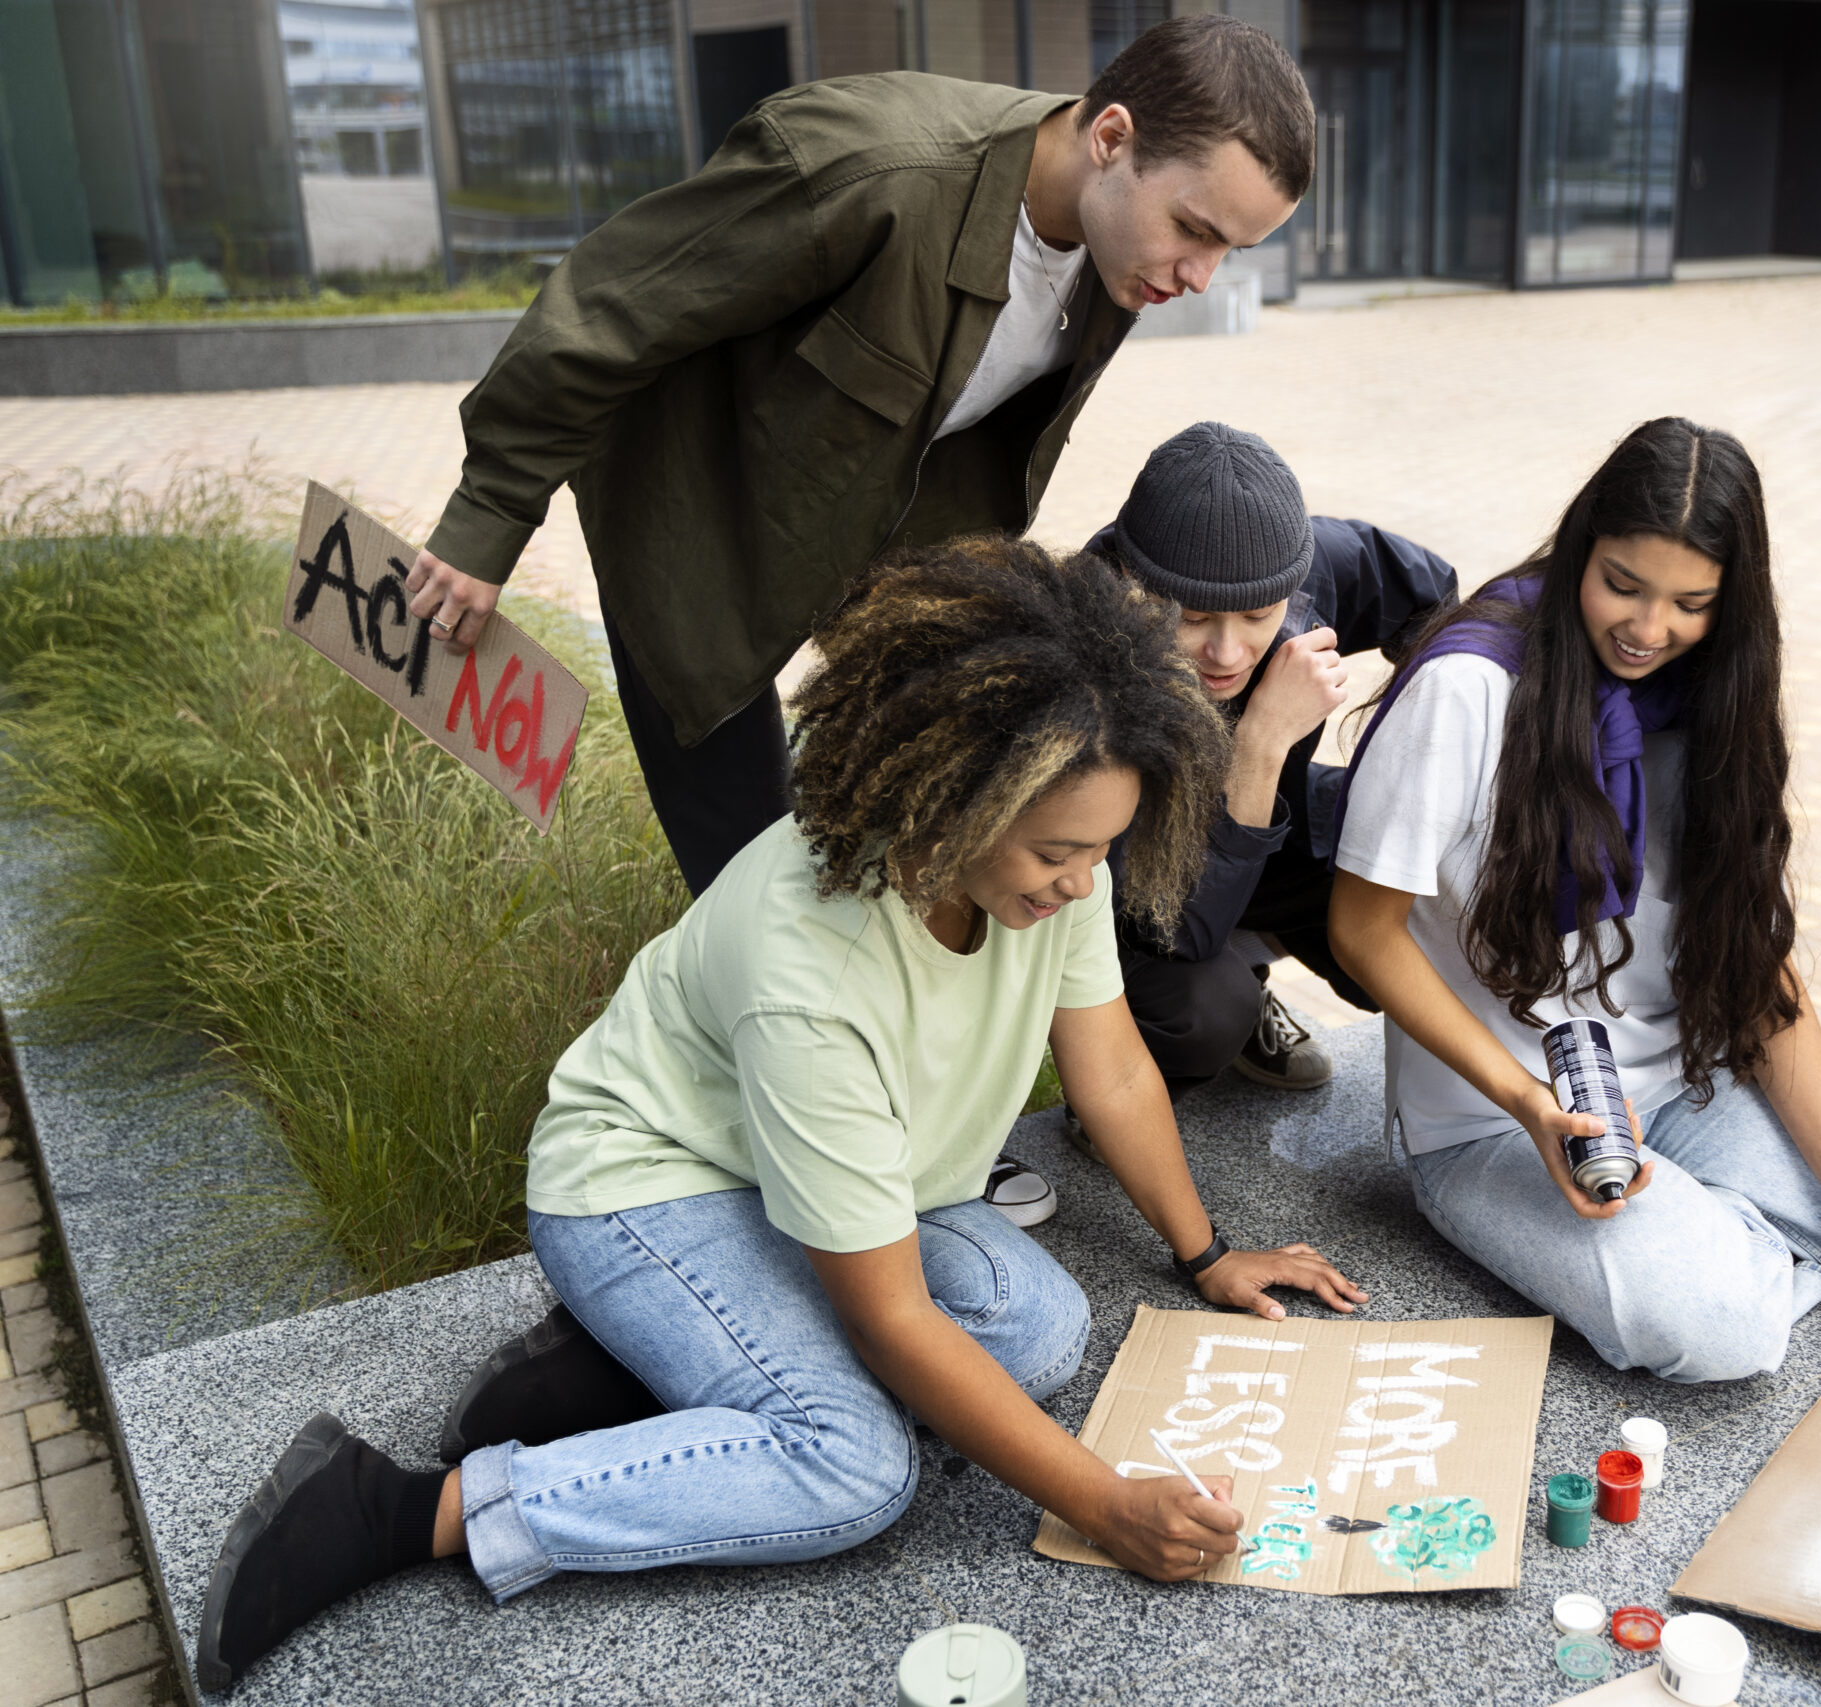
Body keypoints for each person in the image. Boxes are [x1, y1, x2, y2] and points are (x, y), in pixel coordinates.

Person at [193, 538, 1368, 1691]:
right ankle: (399, 1507)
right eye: (1058, 854)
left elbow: (1108, 1065)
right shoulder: (814, 966)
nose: (1080, 884)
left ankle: (634, 1368)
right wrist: (1103, 1504)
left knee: (1036, 1325)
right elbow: (894, 1321)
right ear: (951, 801)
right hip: (645, 1184)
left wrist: (1206, 1252)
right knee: (852, 1470)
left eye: (1101, 850)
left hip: (810, 1184)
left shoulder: (1060, 837)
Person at [399, 17, 1312, 899]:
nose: (1201, 276)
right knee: (750, 877)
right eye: (1196, 229)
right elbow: (605, 309)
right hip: (701, 533)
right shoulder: (864, 167)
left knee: (915, 826)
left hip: (874, 542)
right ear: (1112, 137)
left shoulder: (1119, 249)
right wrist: (489, 520)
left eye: (1231, 249)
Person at [1327, 419, 1821, 1384]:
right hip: (1502, 1119)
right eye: (1621, 583)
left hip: (1687, 1079)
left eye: (1690, 603)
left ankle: (1730, 1231)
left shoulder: (1710, 700)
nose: (1648, 630)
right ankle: (1727, 1249)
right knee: (1722, 1327)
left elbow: (1750, 970)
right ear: (1582, 547)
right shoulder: (1469, 687)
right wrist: (1528, 1103)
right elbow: (1361, 930)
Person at [1084, 422, 1457, 1097]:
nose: (1227, 652)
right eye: (1191, 617)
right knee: (1205, 1010)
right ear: (1129, 579)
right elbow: (1178, 928)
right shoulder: (1081, 660)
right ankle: (1112, 1080)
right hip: (1128, 903)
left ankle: (1254, 960)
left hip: (1257, 842)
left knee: (1425, 907)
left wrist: (1406, 751)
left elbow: (1436, 598)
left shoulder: (1312, 564)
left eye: (1259, 614)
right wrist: (1261, 742)